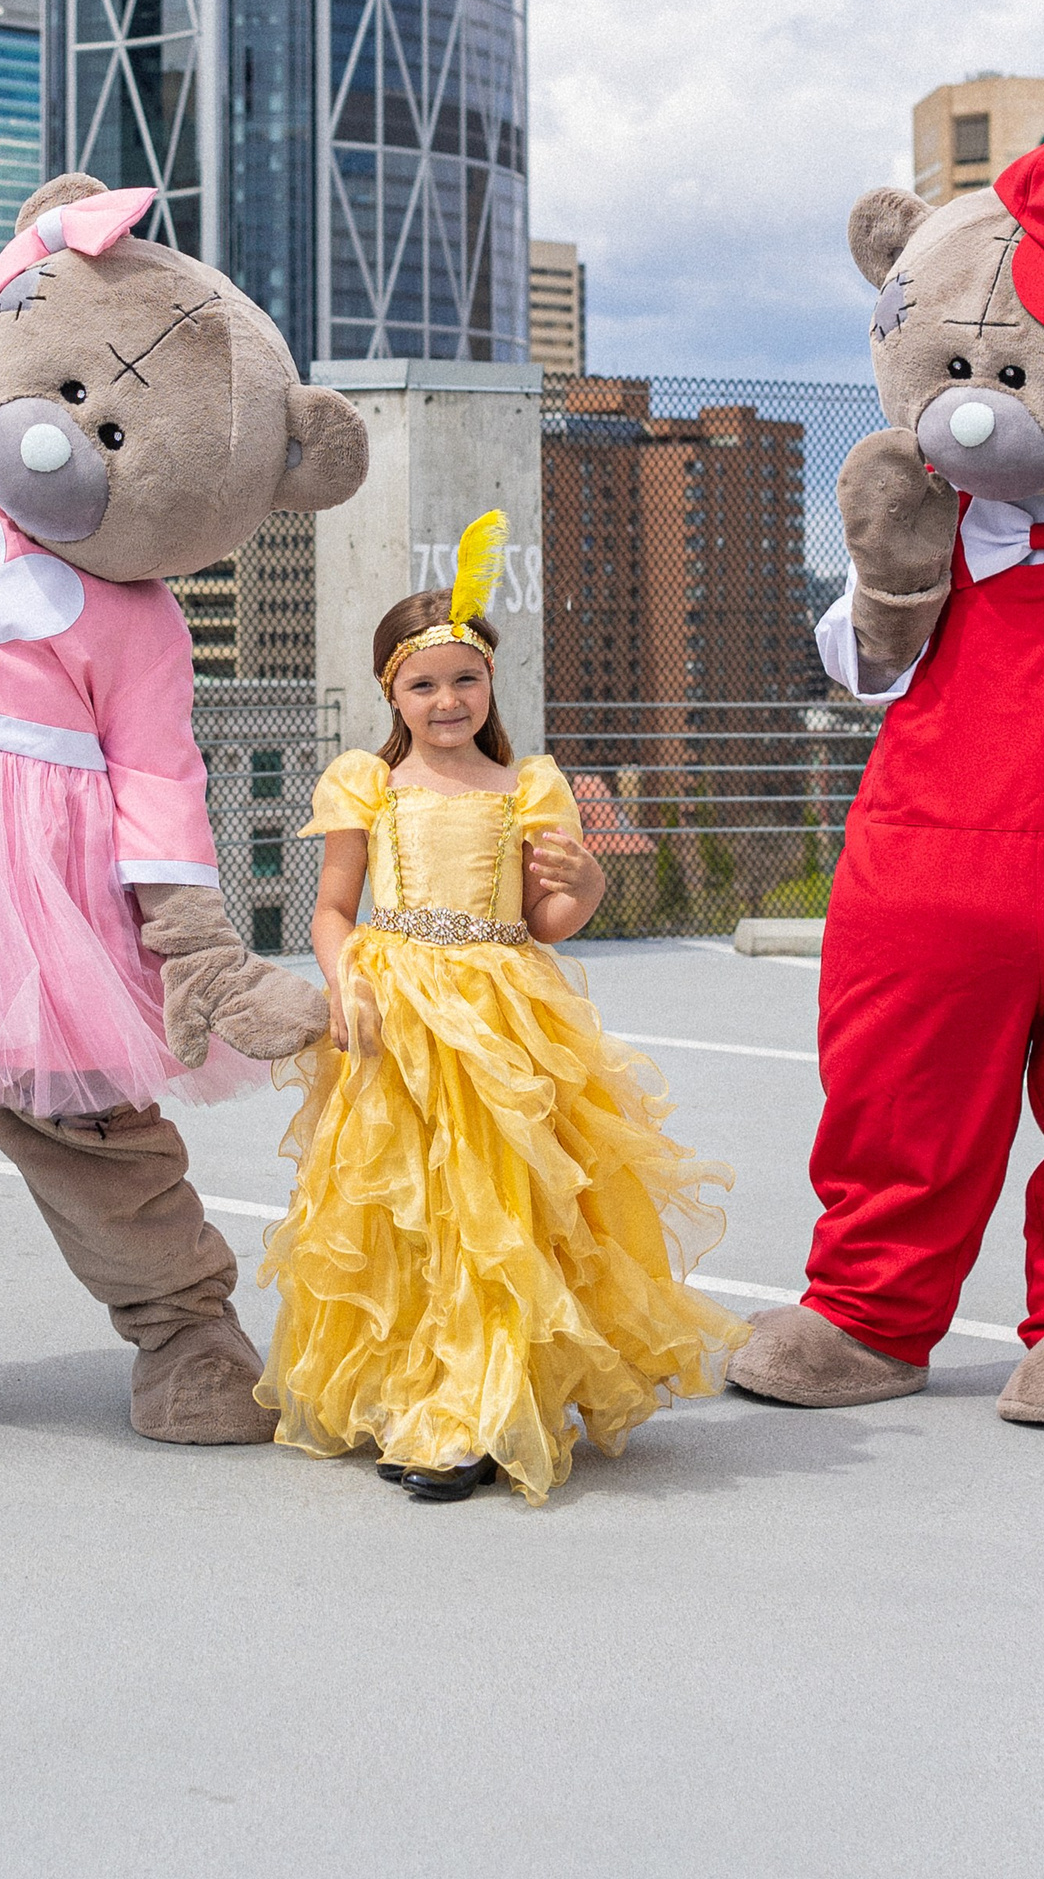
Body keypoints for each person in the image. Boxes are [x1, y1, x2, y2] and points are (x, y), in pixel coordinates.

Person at [257, 516, 746, 1504]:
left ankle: (476, 1408)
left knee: (498, 1211)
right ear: (391, 692)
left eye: (463, 679)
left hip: (501, 1013)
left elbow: (546, 919)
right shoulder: (368, 783)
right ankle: (412, 1391)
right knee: (410, 1211)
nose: (446, 699)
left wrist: (590, 885)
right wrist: (344, 977)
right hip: (395, 1011)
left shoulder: (529, 785)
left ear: (490, 686)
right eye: (422, 683)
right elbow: (331, 906)